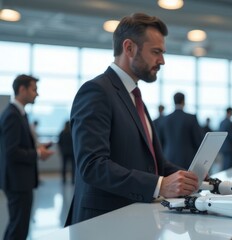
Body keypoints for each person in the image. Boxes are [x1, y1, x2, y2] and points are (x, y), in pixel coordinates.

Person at [64, 12, 199, 226]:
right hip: (102, 224)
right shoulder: (96, 91)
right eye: (156, 52)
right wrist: (159, 185)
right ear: (129, 48)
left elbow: (155, 163)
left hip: (133, 219)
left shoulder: (135, 98)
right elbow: (92, 165)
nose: (162, 61)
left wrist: (189, 178)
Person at [0, 74, 54, 240]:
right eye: (34, 89)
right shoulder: (12, 115)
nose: (37, 94)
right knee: (18, 228)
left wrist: (38, 148)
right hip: (17, 182)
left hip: (20, 181)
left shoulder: (19, 113)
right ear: (22, 89)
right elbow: (12, 152)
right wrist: (38, 153)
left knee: (18, 225)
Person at [158, 92, 203, 169]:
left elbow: (160, 141)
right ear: (183, 101)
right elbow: (198, 140)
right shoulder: (191, 118)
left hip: (169, 159)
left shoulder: (165, 119)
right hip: (187, 159)